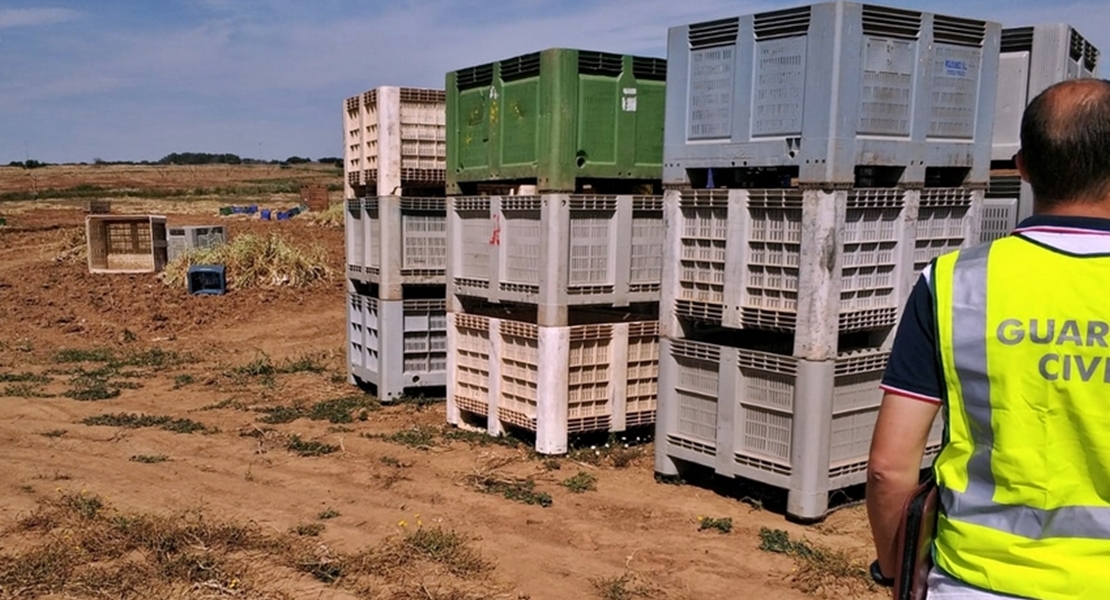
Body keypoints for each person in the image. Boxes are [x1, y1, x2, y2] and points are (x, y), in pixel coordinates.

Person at [866, 77, 1110, 600]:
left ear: (1021, 168)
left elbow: (889, 468)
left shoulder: (954, 283)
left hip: (976, 581)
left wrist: (895, 567)